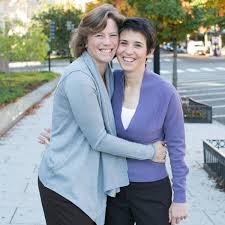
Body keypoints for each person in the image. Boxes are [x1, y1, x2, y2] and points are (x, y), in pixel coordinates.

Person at [37, 4, 167, 225]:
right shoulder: (80, 77)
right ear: (85, 39)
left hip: (85, 182)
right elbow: (99, 139)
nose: (107, 42)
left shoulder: (107, 73)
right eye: (99, 35)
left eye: (113, 35)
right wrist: (149, 152)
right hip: (65, 186)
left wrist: (62, 133)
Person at [105, 18, 188, 225]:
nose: (128, 51)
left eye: (137, 45)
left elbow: (177, 148)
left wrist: (180, 198)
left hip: (152, 191)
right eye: (123, 43)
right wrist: (59, 132)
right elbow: (88, 117)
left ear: (149, 51)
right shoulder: (108, 82)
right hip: (114, 189)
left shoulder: (165, 92)